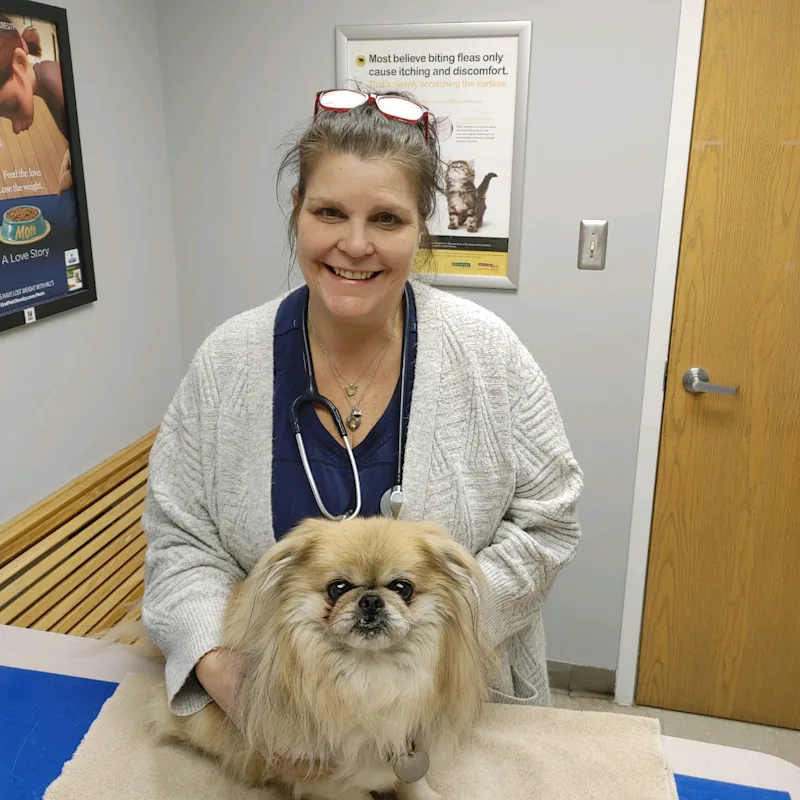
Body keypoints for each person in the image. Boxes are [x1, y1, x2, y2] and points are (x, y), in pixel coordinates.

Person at [141, 88, 583, 774]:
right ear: (297, 211)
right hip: (271, 733)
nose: (355, 244)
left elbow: (551, 523)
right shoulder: (226, 363)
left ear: (421, 227)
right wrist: (228, 676)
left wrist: (448, 634)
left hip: (457, 727)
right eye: (329, 213)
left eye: (386, 217)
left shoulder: (490, 357)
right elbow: (180, 542)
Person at [0, 16, 71, 191]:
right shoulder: (46, 79)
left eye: (13, 106)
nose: (16, 128)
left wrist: (71, 178)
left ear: (20, 62)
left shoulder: (54, 85)